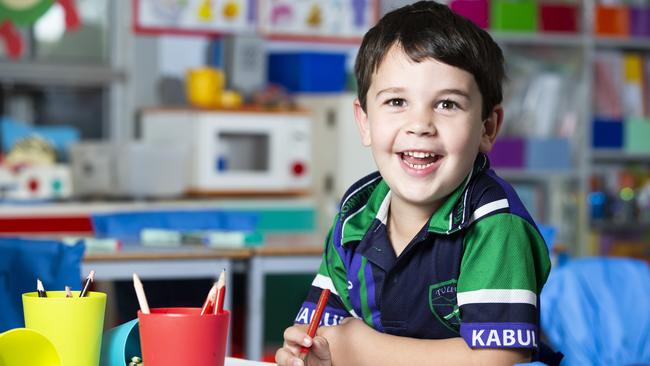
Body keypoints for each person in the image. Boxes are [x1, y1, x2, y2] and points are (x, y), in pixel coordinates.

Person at [276, 1, 559, 365]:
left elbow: (497, 360)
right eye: (397, 101)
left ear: (487, 128)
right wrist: (309, 352)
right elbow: (322, 332)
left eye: (447, 105)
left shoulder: (494, 222)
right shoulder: (355, 214)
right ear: (364, 122)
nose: (420, 124)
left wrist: (360, 350)